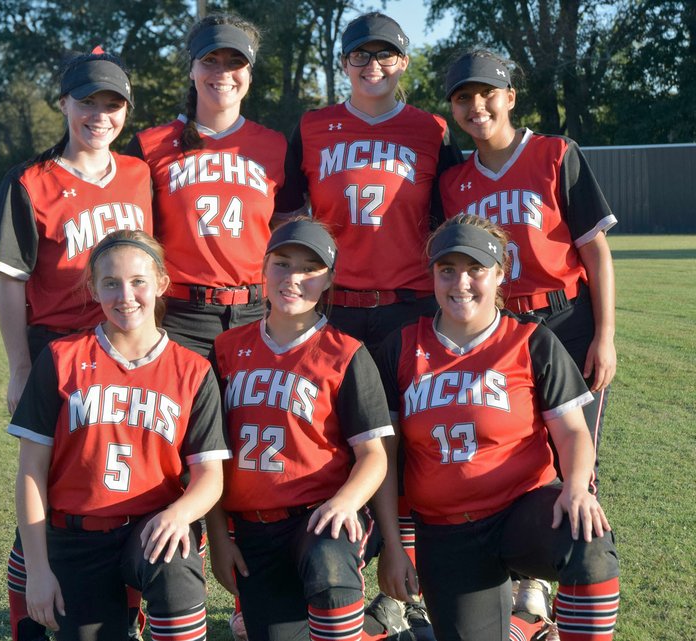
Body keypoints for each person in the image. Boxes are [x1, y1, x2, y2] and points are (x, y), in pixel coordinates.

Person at [374, 214, 620, 641]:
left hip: (520, 512)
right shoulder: (400, 347)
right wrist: (394, 547)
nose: (460, 283)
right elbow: (385, 458)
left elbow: (573, 433)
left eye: (475, 269)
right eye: (447, 270)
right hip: (446, 530)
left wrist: (577, 486)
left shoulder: (530, 340)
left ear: (500, 273)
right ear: (432, 275)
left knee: (589, 543)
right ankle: (529, 626)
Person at [439, 49, 618, 621]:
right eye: (463, 98)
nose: (476, 106)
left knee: (575, 457)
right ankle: (525, 586)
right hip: (500, 327)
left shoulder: (554, 153)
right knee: (512, 446)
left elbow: (594, 249)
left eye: (487, 93)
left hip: (566, 319)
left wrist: (606, 334)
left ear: (510, 97)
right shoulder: (454, 181)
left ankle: (569, 582)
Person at [0, 48, 153, 641]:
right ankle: (25, 613)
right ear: (64, 103)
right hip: (57, 351)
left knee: (122, 483)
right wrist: (18, 367)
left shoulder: (139, 174)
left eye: (113, 104)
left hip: (125, 351)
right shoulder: (32, 180)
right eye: (88, 101)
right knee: (48, 486)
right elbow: (13, 281)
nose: (100, 115)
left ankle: (123, 614)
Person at [9, 229, 228, 641]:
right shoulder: (60, 358)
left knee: (176, 560)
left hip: (150, 527)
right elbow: (31, 471)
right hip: (76, 535)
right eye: (111, 283)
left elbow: (209, 476)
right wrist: (38, 571)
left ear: (161, 283)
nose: (125, 295)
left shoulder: (193, 370)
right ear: (93, 288)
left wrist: (179, 514)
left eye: (138, 281)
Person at [207, 218, 393, 641]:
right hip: (253, 530)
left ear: (328, 280)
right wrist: (219, 538)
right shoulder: (226, 349)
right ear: (263, 269)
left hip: (319, 518)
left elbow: (374, 455)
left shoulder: (345, 353)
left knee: (329, 562)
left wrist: (346, 503)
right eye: (283, 264)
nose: (293, 278)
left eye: (310, 269)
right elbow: (208, 458)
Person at [275, 11, 463, 352]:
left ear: (404, 62)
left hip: (411, 305)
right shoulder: (312, 127)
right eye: (360, 54)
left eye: (385, 54)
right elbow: (284, 218)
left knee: (408, 406)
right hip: (334, 305)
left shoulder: (432, 130)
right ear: (345, 63)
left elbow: (454, 220)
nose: (372, 65)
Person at [125, 13, 286, 357]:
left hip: (257, 315)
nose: (223, 73)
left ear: (249, 74)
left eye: (235, 62)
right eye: (210, 60)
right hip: (179, 317)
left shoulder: (276, 146)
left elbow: (289, 237)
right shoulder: (149, 146)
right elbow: (134, 241)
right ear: (192, 70)